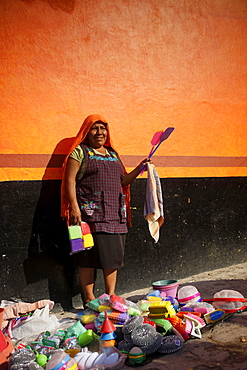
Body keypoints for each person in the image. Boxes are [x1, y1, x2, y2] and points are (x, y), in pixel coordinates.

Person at [61, 114, 149, 304]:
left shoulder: (113, 154)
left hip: (114, 214)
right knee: (86, 257)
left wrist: (140, 168)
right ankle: (89, 298)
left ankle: (111, 296)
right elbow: (69, 181)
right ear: (87, 131)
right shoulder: (80, 152)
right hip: (88, 215)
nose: (99, 132)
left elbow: (123, 180)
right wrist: (74, 209)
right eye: (95, 128)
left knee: (112, 258)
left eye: (103, 128)